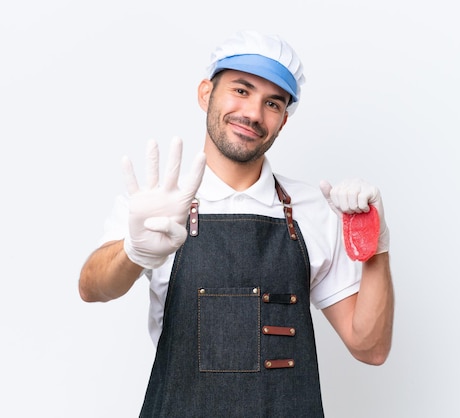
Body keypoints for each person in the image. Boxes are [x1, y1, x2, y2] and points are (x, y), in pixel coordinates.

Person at [79, 30, 394, 417]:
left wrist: (376, 249)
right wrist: (133, 251)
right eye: (241, 91)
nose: (253, 114)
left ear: (282, 122)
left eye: (273, 103)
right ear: (205, 93)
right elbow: (92, 288)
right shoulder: (155, 203)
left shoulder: (312, 209)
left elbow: (370, 347)